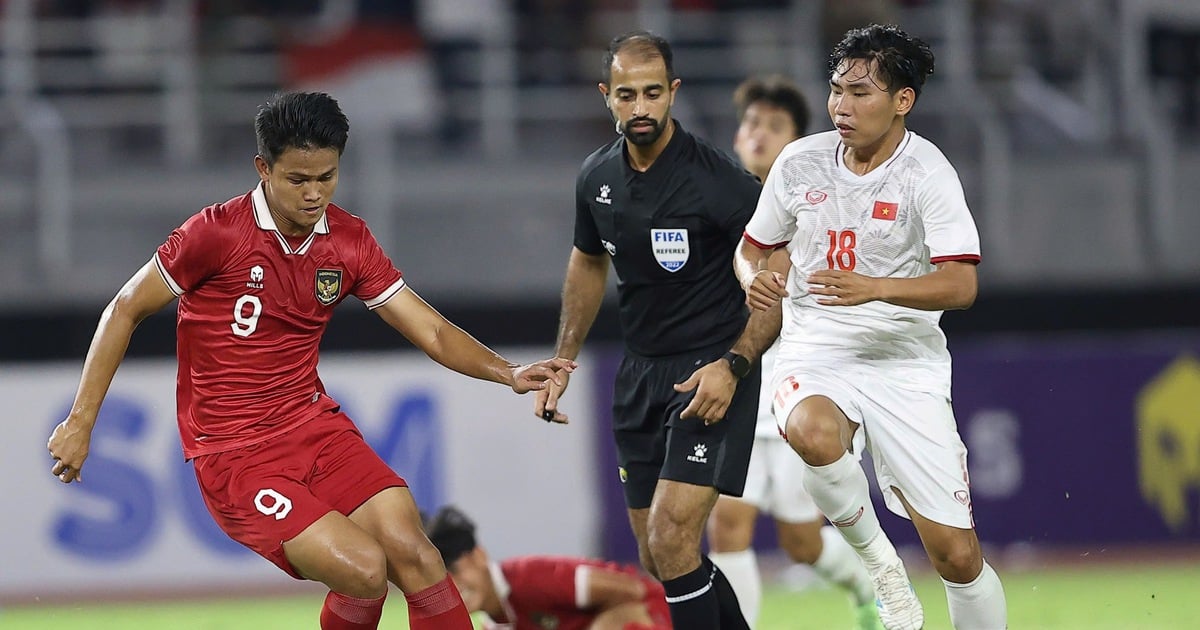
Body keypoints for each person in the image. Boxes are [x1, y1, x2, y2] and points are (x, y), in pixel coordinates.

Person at [45, 91, 576, 630]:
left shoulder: (349, 242)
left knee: (418, 556)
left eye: (327, 177)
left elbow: (432, 330)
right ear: (263, 168)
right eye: (299, 180)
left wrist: (506, 372)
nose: (314, 193)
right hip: (235, 455)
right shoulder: (215, 233)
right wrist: (82, 421)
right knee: (365, 570)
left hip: (314, 428)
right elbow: (124, 308)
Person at [734, 25, 1008, 630]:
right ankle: (882, 568)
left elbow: (961, 285)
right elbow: (753, 247)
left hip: (904, 359)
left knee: (958, 559)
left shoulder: (927, 173)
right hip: (816, 348)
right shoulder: (800, 161)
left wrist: (876, 288)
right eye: (835, 90)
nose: (840, 107)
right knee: (810, 429)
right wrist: (751, 276)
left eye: (860, 93)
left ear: (902, 101)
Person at [535, 30, 780, 630]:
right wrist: (563, 359)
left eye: (651, 93)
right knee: (658, 556)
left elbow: (776, 277)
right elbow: (588, 261)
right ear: (606, 96)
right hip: (639, 372)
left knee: (672, 538)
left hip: (711, 371)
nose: (639, 108)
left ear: (672, 92)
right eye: (626, 95)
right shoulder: (595, 178)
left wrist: (736, 364)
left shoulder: (719, 180)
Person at [707, 75, 880, 630]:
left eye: (773, 125)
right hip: (734, 391)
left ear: (796, 142)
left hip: (794, 389)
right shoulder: (710, 204)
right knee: (727, 527)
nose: (757, 134)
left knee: (802, 543)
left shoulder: (813, 205)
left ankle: (867, 589)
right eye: (751, 122)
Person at [425, 505, 672, 630]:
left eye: (455, 572)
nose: (454, 587)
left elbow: (634, 592)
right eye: (442, 582)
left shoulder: (530, 579)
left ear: (479, 556)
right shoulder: (493, 623)